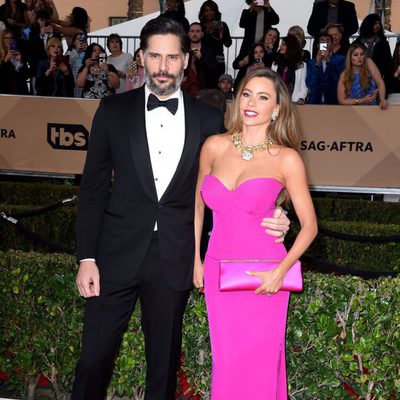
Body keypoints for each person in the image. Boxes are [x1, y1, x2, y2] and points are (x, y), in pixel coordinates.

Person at [72, 17, 290, 400]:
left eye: (172, 57)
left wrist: (278, 213)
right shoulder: (112, 110)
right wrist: (86, 257)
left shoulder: (208, 119)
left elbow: (248, 173)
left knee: (164, 369)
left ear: (186, 60)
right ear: (141, 57)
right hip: (114, 255)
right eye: (155, 56)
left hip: (174, 258)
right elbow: (91, 191)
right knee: (93, 359)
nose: (162, 67)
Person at [194, 67, 318, 399]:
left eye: (263, 97)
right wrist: (196, 258)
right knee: (226, 361)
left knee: (260, 362)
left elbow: (310, 227)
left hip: (266, 272)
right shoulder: (214, 146)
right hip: (218, 267)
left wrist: (280, 272)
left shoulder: (286, 159)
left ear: (276, 109)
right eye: (247, 93)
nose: (251, 102)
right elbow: (198, 204)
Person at [337, 42, 387, 109]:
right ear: (350, 58)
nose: (359, 57)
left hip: (372, 110)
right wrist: (362, 100)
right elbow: (341, 101)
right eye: (355, 55)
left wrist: (382, 99)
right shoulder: (344, 74)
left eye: (362, 54)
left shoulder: (368, 63)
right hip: (352, 111)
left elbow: (380, 82)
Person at [355, 13, 393, 95]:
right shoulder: (357, 43)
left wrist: (387, 87)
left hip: (379, 83)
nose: (378, 26)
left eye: (379, 23)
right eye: (375, 23)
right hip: (359, 83)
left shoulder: (383, 43)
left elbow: (389, 66)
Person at [306, 32, 345, 104]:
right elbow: (310, 83)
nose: (325, 44)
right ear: (318, 45)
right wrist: (317, 64)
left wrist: (329, 61)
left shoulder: (340, 60)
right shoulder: (311, 63)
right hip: (315, 102)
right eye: (322, 42)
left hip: (334, 102)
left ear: (332, 44)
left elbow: (339, 81)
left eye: (328, 41)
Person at [198, 0, 232, 79]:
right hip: (204, 60)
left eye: (212, 10)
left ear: (215, 12)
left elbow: (228, 43)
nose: (209, 13)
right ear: (203, 13)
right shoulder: (199, 27)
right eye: (206, 10)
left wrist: (223, 33)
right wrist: (206, 32)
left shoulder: (222, 25)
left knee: (217, 84)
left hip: (218, 60)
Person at [272, 35, 308, 104]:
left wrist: (301, 98)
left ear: (291, 47)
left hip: (295, 102)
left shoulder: (301, 65)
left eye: (283, 45)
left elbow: (303, 85)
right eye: (281, 44)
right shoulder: (275, 64)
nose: (280, 47)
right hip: (277, 102)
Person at [187, 21, 219, 89]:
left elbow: (214, 72)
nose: (195, 34)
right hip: (186, 88)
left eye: (197, 31)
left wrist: (201, 58)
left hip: (204, 89)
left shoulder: (210, 52)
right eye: (192, 31)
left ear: (202, 34)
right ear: (188, 34)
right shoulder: (183, 50)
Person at [0, 28, 29, 94]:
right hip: (4, 92)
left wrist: (20, 62)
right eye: (6, 38)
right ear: (1, 40)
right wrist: (5, 60)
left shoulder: (18, 53)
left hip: (20, 92)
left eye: (10, 38)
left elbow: (26, 76)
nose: (9, 40)